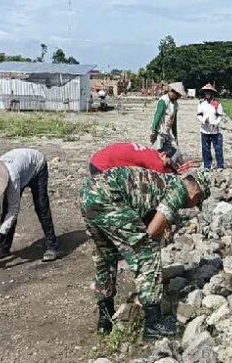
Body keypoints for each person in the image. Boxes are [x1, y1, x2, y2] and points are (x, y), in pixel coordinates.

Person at [80, 168, 210, 339]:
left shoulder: (163, 182)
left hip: (88, 192)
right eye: (197, 201)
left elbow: (145, 215)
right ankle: (153, 323)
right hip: (109, 196)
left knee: (106, 256)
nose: (192, 204)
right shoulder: (179, 189)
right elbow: (152, 232)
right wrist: (147, 268)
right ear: (196, 192)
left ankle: (105, 319)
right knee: (147, 251)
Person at [0, 148, 59, 263]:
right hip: (20, 166)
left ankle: (52, 246)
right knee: (5, 210)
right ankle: (4, 248)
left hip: (36, 166)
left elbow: (14, 210)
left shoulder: (12, 177)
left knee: (41, 207)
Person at [150, 82, 185, 165]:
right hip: (160, 132)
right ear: (174, 92)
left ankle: (180, 166)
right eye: (178, 95)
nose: (179, 97)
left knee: (174, 150)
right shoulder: (163, 100)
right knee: (156, 154)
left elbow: (174, 121)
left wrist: (175, 135)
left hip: (167, 132)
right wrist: (153, 131)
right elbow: (157, 115)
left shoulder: (175, 104)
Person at [89, 142, 173, 176]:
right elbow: (166, 177)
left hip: (98, 158)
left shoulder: (152, 152)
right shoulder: (156, 162)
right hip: (100, 167)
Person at [197, 83, 224, 171]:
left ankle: (220, 165)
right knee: (205, 149)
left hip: (215, 130)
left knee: (218, 148)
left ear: (212, 94)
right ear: (204, 94)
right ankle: (207, 166)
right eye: (206, 92)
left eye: (209, 92)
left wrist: (215, 123)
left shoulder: (217, 104)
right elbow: (199, 115)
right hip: (204, 130)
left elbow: (220, 116)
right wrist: (204, 121)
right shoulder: (201, 103)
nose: (208, 94)